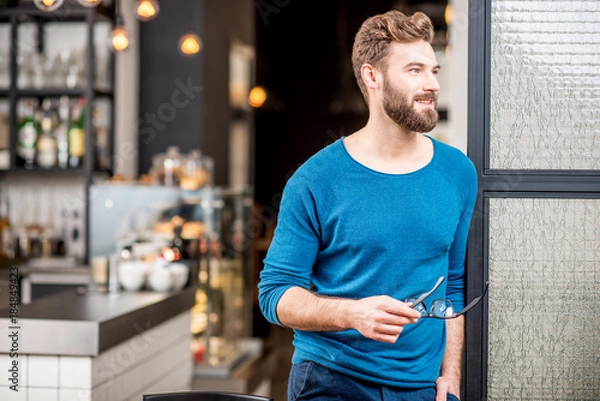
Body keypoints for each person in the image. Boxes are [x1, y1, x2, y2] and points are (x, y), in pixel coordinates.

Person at [258, 9, 478, 401]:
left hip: (422, 387)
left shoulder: (458, 172)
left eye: (434, 71)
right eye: (414, 70)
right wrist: (352, 313)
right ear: (372, 76)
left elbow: (454, 284)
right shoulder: (315, 180)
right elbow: (275, 294)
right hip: (330, 380)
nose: (431, 85)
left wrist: (451, 372)